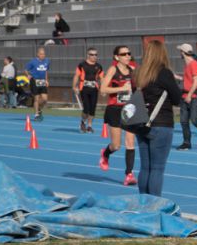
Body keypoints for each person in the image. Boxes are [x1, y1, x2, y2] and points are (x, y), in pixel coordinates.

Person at [131, 39, 183, 196]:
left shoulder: (139, 73)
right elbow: (176, 99)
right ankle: (154, 205)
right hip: (161, 123)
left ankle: (143, 202)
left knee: (145, 167)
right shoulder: (164, 73)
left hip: (141, 123)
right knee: (157, 168)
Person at [98, 44, 139, 186]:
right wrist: (121, 88)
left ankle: (129, 174)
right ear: (117, 57)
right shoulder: (112, 69)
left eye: (129, 53)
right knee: (116, 145)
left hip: (129, 109)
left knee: (130, 142)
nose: (128, 56)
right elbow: (103, 89)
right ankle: (105, 153)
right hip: (114, 109)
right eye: (124, 54)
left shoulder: (133, 70)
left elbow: (137, 89)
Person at [72, 47, 103, 133]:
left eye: (96, 55)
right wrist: (74, 87)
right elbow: (76, 76)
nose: (94, 56)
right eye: (92, 55)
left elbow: (102, 78)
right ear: (88, 55)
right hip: (84, 88)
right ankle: (83, 122)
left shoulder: (99, 66)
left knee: (92, 109)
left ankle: (89, 126)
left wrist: (103, 89)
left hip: (94, 89)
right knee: (86, 108)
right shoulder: (82, 65)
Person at [25, 47, 50, 120]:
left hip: (42, 81)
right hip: (34, 80)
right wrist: (28, 75)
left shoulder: (47, 61)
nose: (43, 55)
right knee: (36, 98)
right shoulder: (33, 62)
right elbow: (26, 69)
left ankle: (39, 109)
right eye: (41, 54)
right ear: (38, 54)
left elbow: (46, 71)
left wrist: (47, 80)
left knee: (45, 99)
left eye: (44, 54)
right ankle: (36, 114)